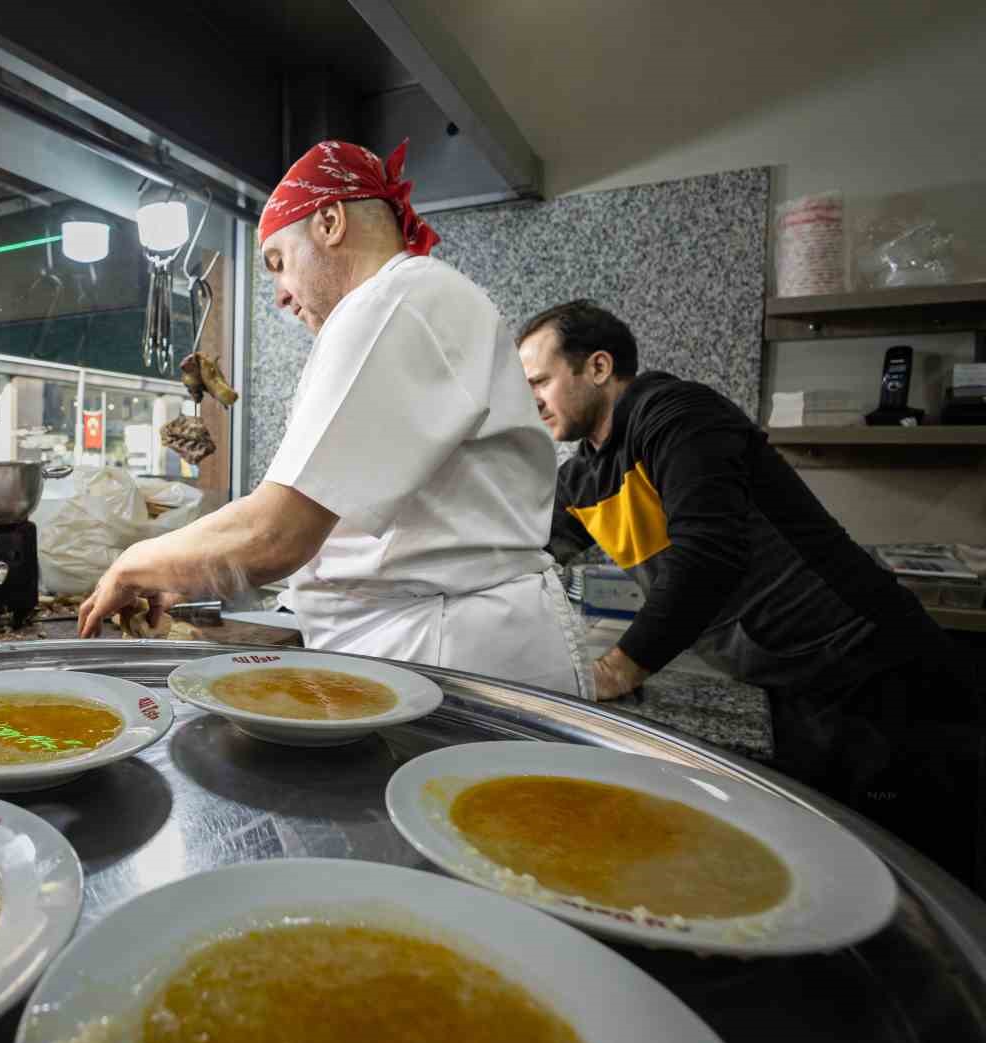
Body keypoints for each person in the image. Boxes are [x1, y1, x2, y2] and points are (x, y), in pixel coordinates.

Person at [77, 139, 586, 696]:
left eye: (278, 263)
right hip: (433, 641)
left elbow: (276, 534)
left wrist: (134, 563)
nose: (279, 297)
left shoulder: (394, 301)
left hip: (456, 652)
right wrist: (181, 573)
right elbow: (334, 529)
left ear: (330, 221)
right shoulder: (411, 303)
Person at [518, 298, 984, 890]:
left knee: (921, 880)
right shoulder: (585, 474)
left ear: (600, 367)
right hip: (790, 682)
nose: (531, 398)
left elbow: (708, 555)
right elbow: (525, 551)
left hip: (873, 671)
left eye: (540, 380)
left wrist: (616, 669)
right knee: (831, 871)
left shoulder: (678, 415)